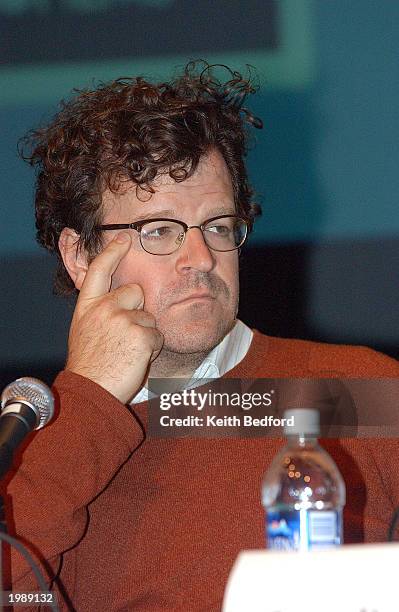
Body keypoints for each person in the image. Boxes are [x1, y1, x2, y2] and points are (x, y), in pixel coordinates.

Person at [7, 61, 399, 611]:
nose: (201, 258)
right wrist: (88, 403)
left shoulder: (365, 392)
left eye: (218, 226)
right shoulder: (26, 451)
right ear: (80, 255)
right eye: (160, 231)